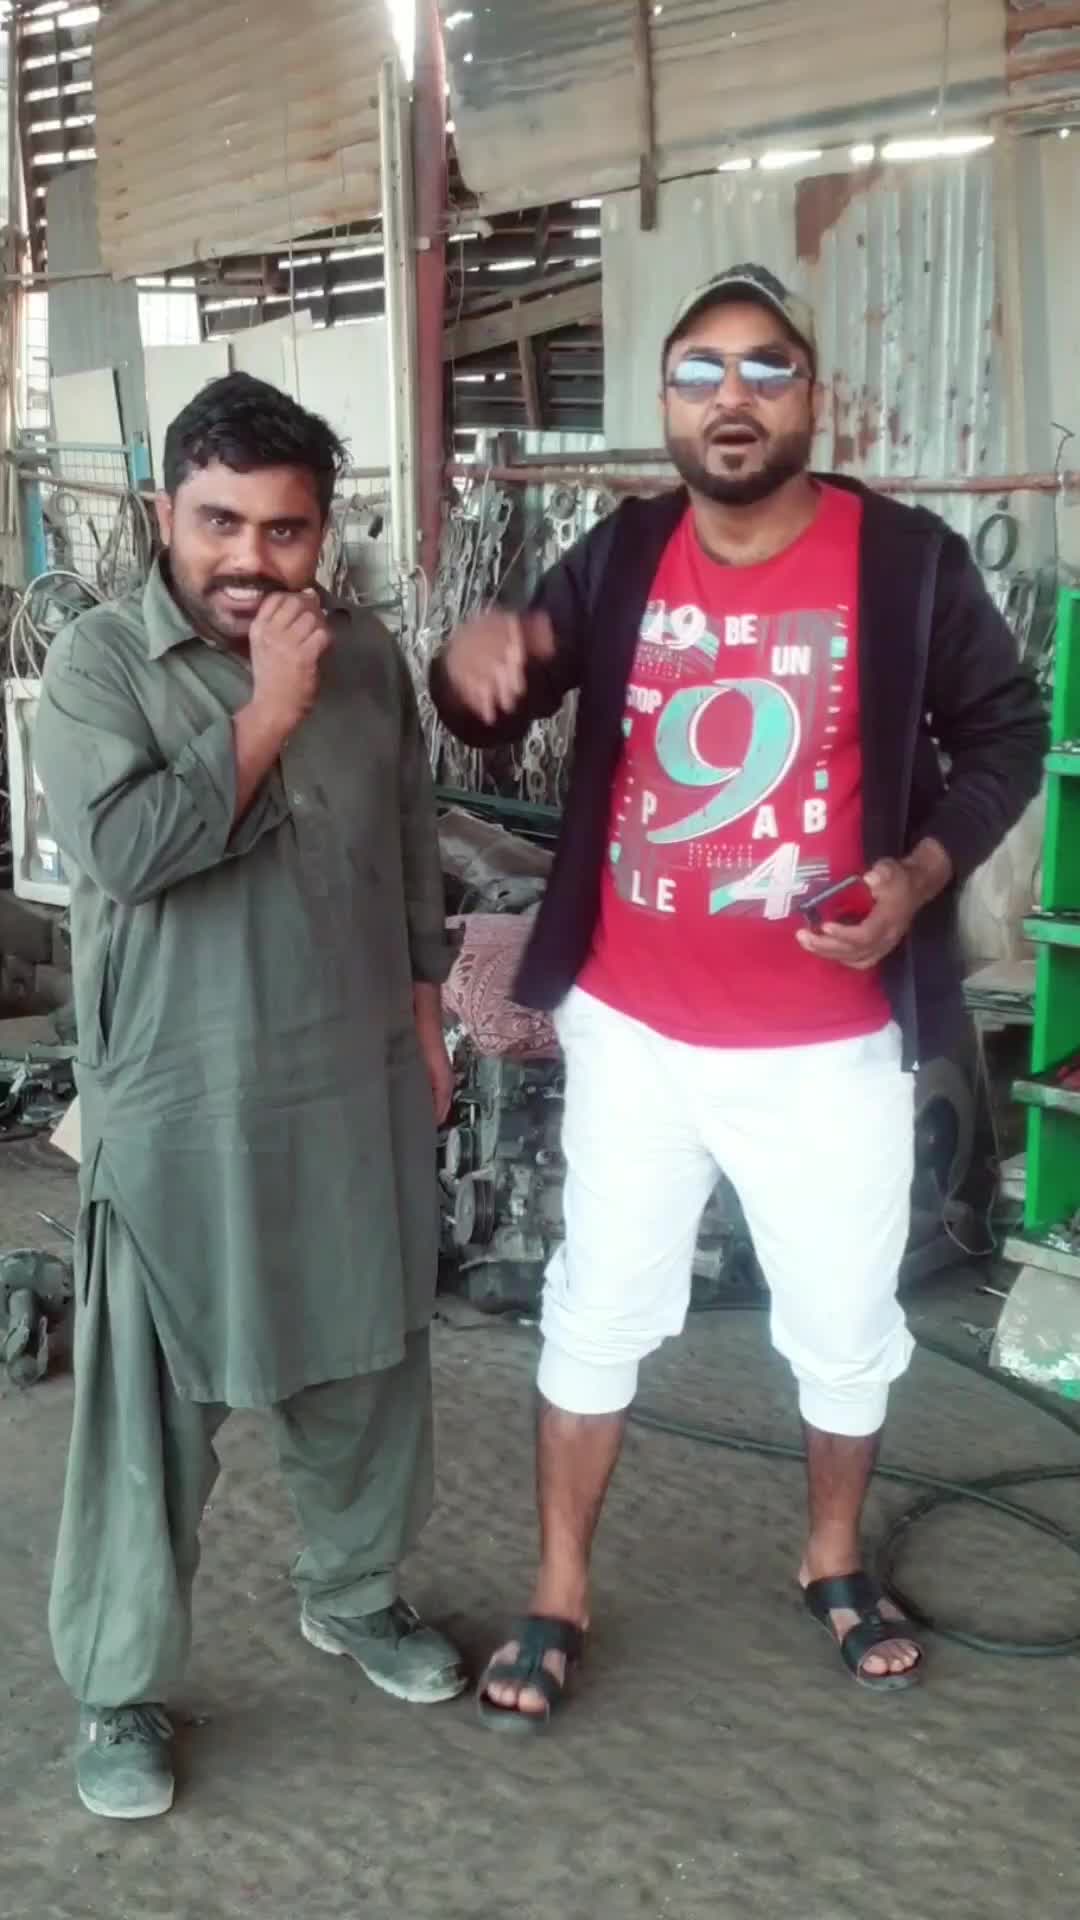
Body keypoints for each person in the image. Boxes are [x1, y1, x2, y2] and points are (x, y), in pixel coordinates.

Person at [430, 264, 1047, 1728]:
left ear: (813, 398)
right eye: (698, 369)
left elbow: (1006, 733)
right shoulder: (624, 551)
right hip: (635, 1031)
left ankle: (832, 1556)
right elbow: (503, 695)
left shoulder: (905, 562)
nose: (732, 396)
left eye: (766, 368)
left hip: (830, 1047)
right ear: (665, 403)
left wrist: (921, 874)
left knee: (842, 1320)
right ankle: (559, 1590)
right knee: (597, 1307)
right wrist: (470, 672)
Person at [36, 372, 465, 1819]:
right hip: (180, 1096)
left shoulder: (370, 660)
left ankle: (352, 1592)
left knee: (365, 1362)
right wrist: (268, 713)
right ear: (164, 511)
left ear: (323, 531)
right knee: (147, 1413)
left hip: (347, 1079)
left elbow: (409, 842)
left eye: (284, 531)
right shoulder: (101, 663)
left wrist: (426, 1015)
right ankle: (120, 1685)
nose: (250, 560)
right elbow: (127, 850)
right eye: (219, 521)